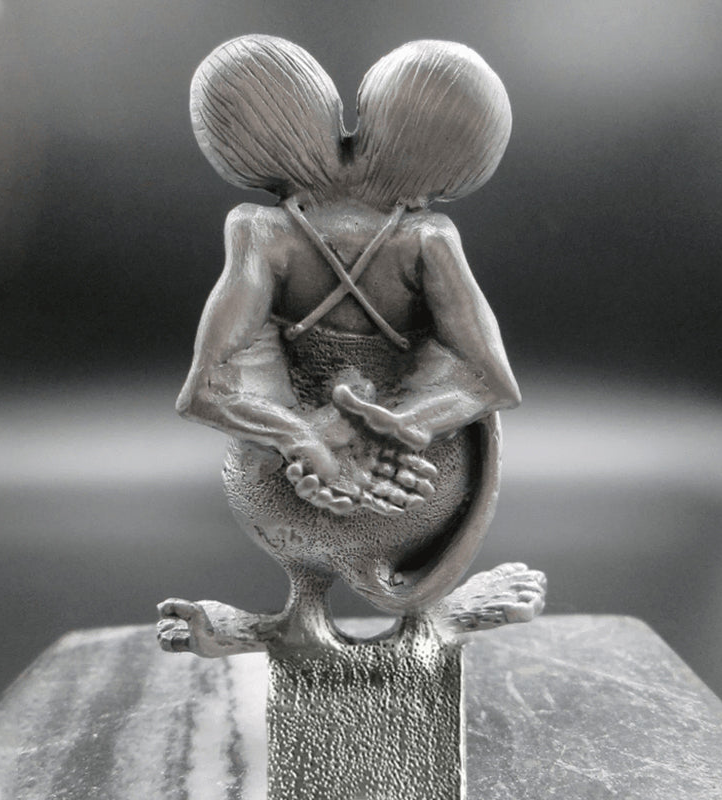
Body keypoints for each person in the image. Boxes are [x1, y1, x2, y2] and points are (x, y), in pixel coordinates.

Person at [160, 35, 537, 652]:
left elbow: (208, 387)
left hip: (294, 483)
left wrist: (307, 434)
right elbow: (491, 378)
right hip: (416, 479)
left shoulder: (264, 233)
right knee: (373, 513)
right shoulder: (425, 238)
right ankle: (391, 619)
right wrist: (394, 425)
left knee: (292, 506)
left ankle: (321, 616)